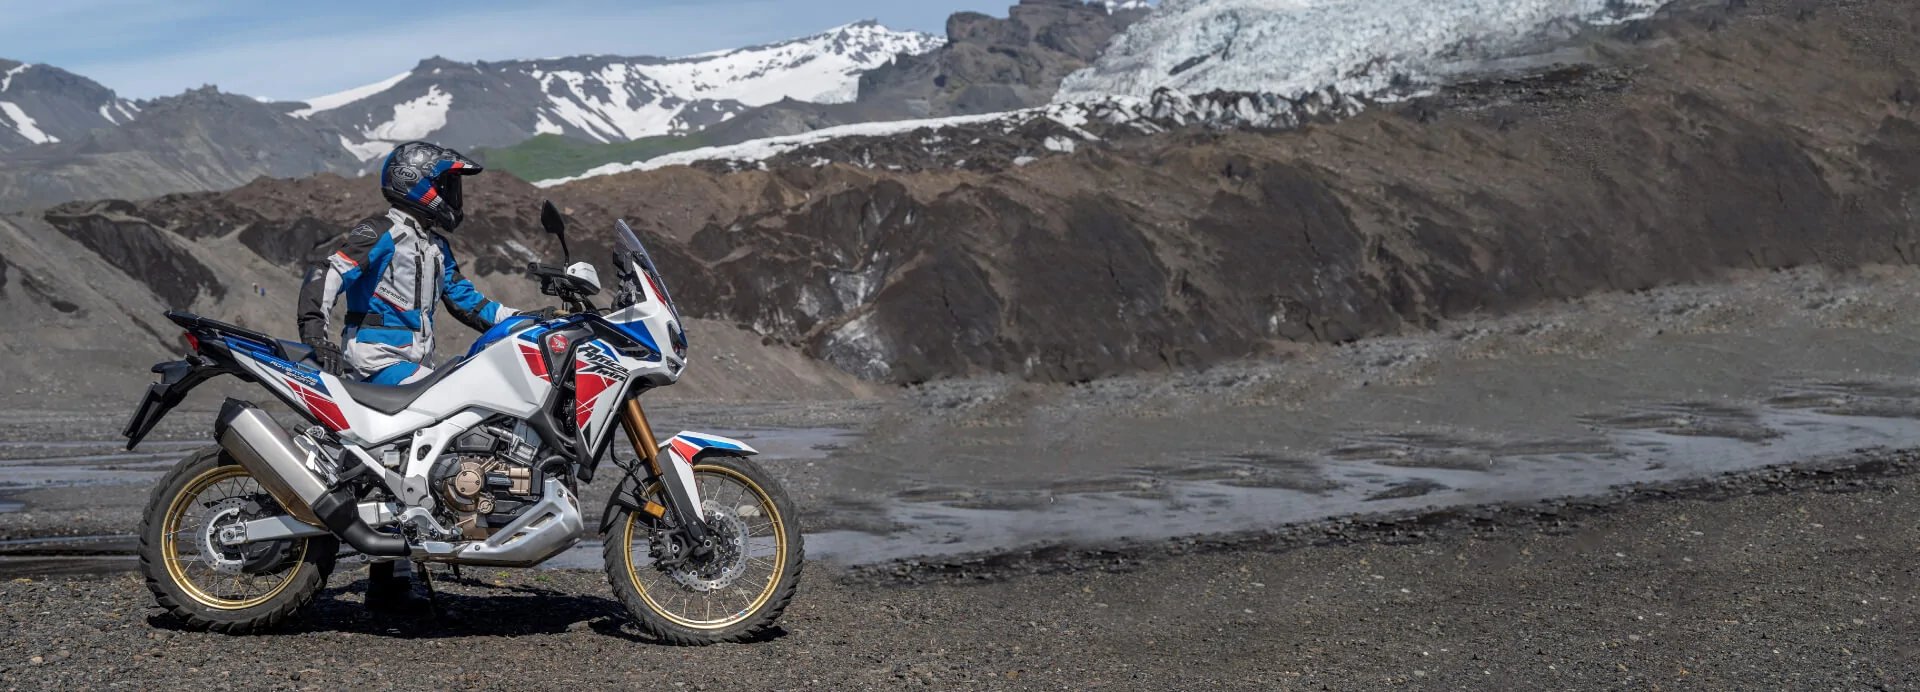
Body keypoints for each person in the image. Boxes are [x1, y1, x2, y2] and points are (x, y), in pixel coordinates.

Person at [295, 140, 531, 610]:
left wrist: (528, 320)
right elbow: (331, 271)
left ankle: (393, 573)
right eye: (447, 185)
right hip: (377, 359)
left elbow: (468, 302)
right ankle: (400, 568)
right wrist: (315, 330)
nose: (454, 196)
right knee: (445, 426)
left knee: (403, 463)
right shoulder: (382, 231)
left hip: (412, 366)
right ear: (416, 183)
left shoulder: (434, 245)